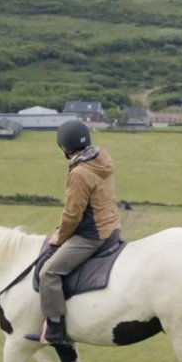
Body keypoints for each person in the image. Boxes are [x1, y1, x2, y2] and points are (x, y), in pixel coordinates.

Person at [26, 119, 120, 345]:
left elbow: (73, 215)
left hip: (92, 235)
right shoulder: (101, 159)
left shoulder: (79, 173)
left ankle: (55, 330)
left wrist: (60, 235)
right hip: (112, 227)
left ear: (65, 147)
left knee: (48, 273)